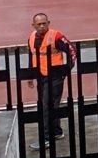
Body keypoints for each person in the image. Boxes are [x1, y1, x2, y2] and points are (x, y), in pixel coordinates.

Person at [28, 13, 74, 148]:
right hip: (40, 75)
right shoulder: (31, 37)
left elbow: (72, 51)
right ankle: (57, 132)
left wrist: (66, 70)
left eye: (44, 23)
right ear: (33, 25)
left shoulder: (56, 36)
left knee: (46, 106)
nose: (42, 26)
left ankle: (46, 138)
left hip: (54, 76)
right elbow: (32, 56)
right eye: (39, 24)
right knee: (51, 105)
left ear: (49, 23)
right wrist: (31, 75)